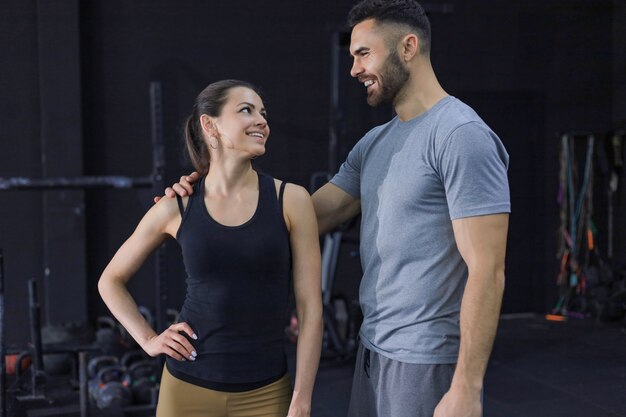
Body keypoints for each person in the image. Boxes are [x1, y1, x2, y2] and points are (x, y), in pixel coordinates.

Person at [163, 1, 510, 416]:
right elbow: (298, 217)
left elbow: (488, 271)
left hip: (425, 360)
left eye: (364, 53)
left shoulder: (460, 135)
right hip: (372, 351)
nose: (354, 69)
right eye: (352, 57)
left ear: (408, 47)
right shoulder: (375, 144)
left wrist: (467, 389)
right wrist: (210, 197)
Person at [99, 79, 323, 417]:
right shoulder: (177, 206)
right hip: (186, 387)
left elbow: (310, 310)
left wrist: (302, 399)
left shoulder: (291, 200)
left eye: (263, 112)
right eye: (246, 110)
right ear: (210, 124)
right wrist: (147, 339)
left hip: (266, 393)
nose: (262, 120)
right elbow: (110, 280)